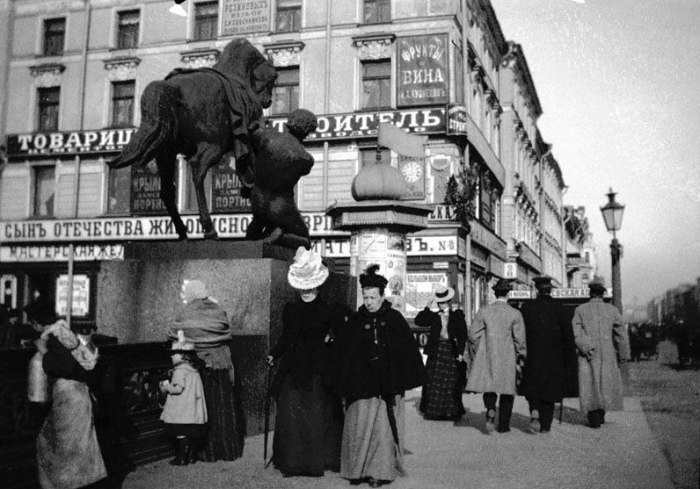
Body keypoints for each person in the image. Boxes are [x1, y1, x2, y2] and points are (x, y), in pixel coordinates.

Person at [330, 264, 425, 488]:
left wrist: (398, 379)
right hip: (359, 387)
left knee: (381, 431)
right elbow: (344, 353)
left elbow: (406, 353)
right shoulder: (354, 320)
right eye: (366, 297)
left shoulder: (394, 319)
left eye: (373, 297)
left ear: (383, 296)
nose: (369, 302)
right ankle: (356, 470)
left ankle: (378, 472)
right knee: (358, 427)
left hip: (386, 388)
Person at [265, 247, 345, 476]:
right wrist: (274, 353)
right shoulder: (291, 309)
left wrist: (332, 339)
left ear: (318, 286)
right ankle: (293, 462)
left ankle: (316, 460)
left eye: (311, 287)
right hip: (293, 367)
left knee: (316, 414)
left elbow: (341, 333)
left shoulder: (329, 309)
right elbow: (286, 336)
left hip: (318, 368)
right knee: (291, 415)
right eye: (303, 287)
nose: (307, 291)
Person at [32, 302, 107, 488]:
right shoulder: (66, 331)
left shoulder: (52, 337)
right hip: (81, 393)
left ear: (36, 323)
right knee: (81, 445)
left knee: (58, 446)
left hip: (67, 395)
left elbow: (66, 366)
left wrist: (44, 352)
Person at [167, 279, 244, 461]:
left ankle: (204, 451)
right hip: (221, 365)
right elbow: (224, 331)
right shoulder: (218, 309)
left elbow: (175, 332)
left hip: (199, 367)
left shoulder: (186, 312)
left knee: (203, 409)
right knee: (222, 408)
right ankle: (226, 450)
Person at [465, 278, 526, 434]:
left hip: (488, 354)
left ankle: (491, 410)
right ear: (508, 294)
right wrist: (521, 356)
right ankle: (504, 425)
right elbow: (520, 340)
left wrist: (480, 348)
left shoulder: (484, 311)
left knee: (489, 387)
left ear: (494, 293)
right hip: (507, 356)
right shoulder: (515, 313)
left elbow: (472, 335)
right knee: (507, 391)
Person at [519, 276, 577, 433]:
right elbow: (568, 337)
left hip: (532, 356)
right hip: (554, 359)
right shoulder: (560, 308)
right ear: (550, 289)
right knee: (550, 392)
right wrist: (570, 360)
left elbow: (521, 332)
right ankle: (545, 425)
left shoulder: (527, 307)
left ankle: (534, 410)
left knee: (533, 388)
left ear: (537, 289)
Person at [572, 277, 630, 428]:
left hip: (588, 352)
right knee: (605, 382)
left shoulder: (580, 310)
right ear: (602, 294)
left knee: (590, 382)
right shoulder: (612, 310)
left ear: (590, 293)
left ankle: (593, 415)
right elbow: (621, 334)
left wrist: (586, 347)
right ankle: (601, 412)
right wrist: (624, 355)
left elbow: (576, 333)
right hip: (607, 351)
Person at [414, 284, 467, 420]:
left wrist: (461, 353)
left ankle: (451, 412)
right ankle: (434, 411)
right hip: (436, 350)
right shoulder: (434, 316)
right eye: (439, 302)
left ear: (448, 302)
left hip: (451, 349)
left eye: (444, 302)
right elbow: (419, 321)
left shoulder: (457, 315)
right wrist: (427, 306)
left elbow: (462, 334)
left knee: (451, 381)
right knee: (433, 381)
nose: (441, 305)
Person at [159, 332, 208, 466]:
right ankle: (191, 456)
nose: (172, 357)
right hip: (192, 409)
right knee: (191, 434)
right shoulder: (193, 370)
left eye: (174, 354)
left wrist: (166, 385)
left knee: (181, 433)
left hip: (182, 410)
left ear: (182, 356)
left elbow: (178, 389)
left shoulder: (180, 371)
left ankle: (181, 458)